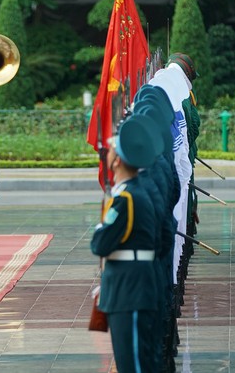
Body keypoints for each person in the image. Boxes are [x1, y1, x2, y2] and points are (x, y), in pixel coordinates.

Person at [90, 114, 164, 373]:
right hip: (133, 284)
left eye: (111, 150)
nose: (107, 154)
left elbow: (99, 244)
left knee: (132, 363)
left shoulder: (126, 200)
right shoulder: (134, 193)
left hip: (129, 289)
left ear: (118, 160)